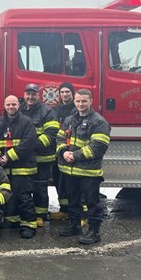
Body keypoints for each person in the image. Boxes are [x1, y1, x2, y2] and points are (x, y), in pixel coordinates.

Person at [57, 89, 111, 245]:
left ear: (91, 101)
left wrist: (74, 155)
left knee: (92, 203)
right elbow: (59, 138)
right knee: (73, 200)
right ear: (74, 101)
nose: (80, 104)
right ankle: (74, 226)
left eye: (84, 101)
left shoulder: (99, 122)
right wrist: (63, 152)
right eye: (78, 101)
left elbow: (98, 147)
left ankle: (94, 232)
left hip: (89, 172)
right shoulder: (69, 120)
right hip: (69, 170)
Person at [0, 95, 38, 239]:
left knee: (24, 197)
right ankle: (12, 221)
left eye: (14, 104)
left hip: (22, 167)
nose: (11, 107)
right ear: (4, 105)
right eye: (8, 104)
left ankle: (28, 226)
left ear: (18, 105)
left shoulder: (26, 122)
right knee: (9, 196)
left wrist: (8, 157)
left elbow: (29, 143)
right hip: (4, 168)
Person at [20, 83, 59, 227]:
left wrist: (32, 146)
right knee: (24, 187)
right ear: (24, 95)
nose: (30, 97)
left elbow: (51, 134)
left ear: (38, 95)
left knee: (40, 187)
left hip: (42, 158)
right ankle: (26, 214)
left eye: (33, 94)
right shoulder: (20, 109)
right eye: (28, 94)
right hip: (25, 157)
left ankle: (40, 215)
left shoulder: (47, 111)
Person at [50, 82, 76, 220]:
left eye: (67, 92)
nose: (64, 95)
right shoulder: (56, 109)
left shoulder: (77, 108)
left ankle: (77, 213)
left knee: (73, 183)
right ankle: (64, 210)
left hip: (72, 151)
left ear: (72, 93)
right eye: (62, 92)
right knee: (59, 180)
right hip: (59, 151)